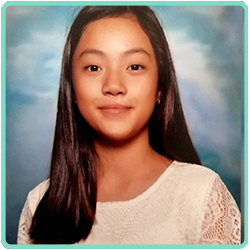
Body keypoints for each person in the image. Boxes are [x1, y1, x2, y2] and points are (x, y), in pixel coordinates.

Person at [17, 6, 241, 244]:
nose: (114, 85)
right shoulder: (39, 203)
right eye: (94, 67)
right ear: (71, 87)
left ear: (160, 88)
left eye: (134, 67)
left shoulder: (203, 196)